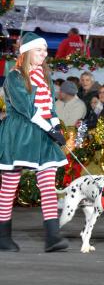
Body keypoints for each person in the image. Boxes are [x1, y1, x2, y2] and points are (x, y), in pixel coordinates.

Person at [0, 33, 69, 252]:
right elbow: (27, 109)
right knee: (9, 185)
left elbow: (50, 106)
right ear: (27, 52)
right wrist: (50, 128)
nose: (44, 54)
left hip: (43, 132)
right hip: (19, 132)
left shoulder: (45, 75)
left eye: (45, 50)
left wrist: (56, 125)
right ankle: (3, 237)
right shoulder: (14, 76)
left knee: (48, 183)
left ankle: (53, 237)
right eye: (39, 50)